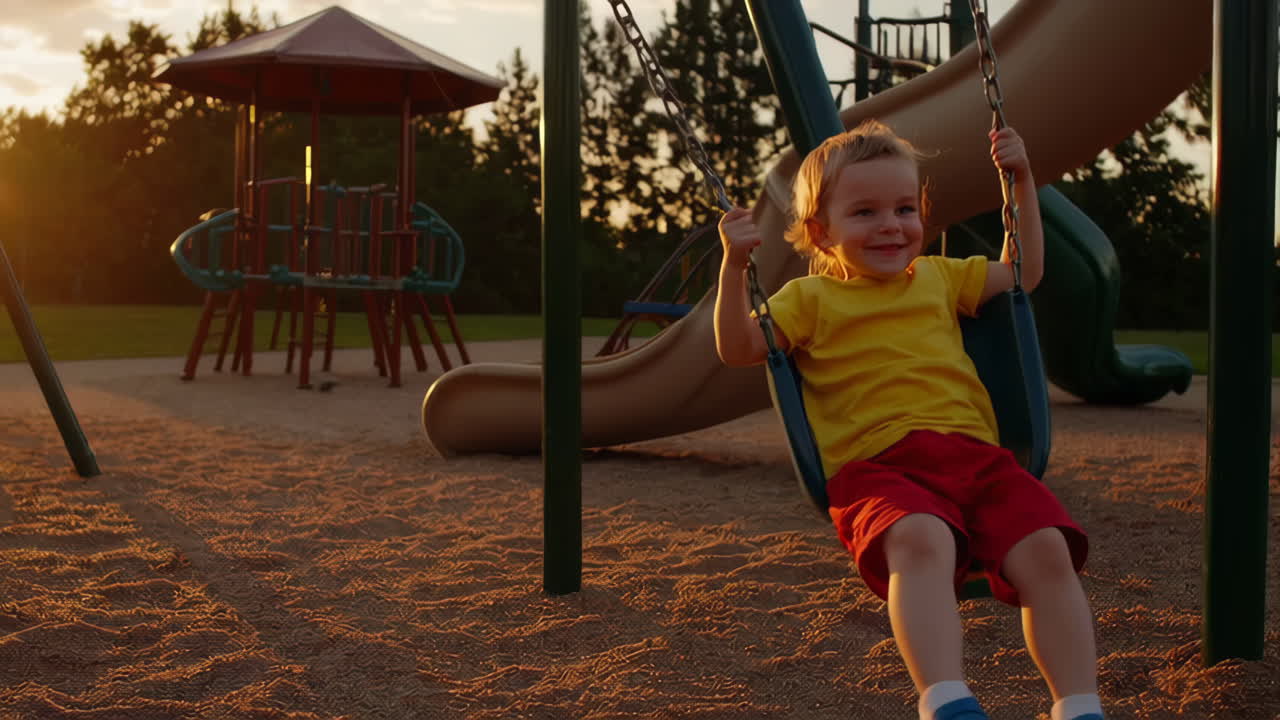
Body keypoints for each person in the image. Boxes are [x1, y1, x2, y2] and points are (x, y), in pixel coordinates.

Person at [713, 119, 1102, 720]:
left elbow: (1021, 272)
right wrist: (734, 267)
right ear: (821, 233)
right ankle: (946, 701)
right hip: (878, 471)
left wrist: (1020, 182)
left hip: (977, 461)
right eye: (865, 212)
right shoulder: (808, 301)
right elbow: (738, 347)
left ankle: (1078, 705)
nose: (891, 224)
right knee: (920, 539)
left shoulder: (941, 278)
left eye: (903, 207)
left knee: (1048, 550)